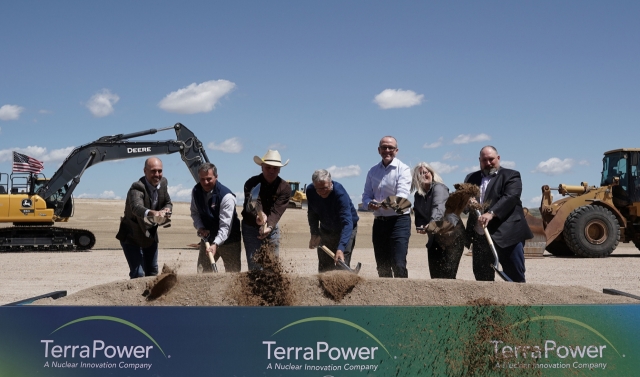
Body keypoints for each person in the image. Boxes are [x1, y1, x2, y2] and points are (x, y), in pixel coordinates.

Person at [464, 145, 533, 282]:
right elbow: (464, 204)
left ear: (498, 158)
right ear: (479, 160)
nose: (488, 163)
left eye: (491, 159)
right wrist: (466, 202)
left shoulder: (511, 175)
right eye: (484, 160)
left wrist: (491, 213)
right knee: (482, 278)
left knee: (515, 278)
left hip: (508, 235)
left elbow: (511, 197)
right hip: (481, 235)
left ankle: (518, 303)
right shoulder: (471, 177)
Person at [361, 136, 412, 278]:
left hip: (399, 221)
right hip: (379, 223)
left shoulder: (403, 169)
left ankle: (402, 297)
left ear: (396, 150)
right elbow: (365, 196)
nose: (387, 150)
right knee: (382, 265)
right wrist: (369, 204)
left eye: (391, 148)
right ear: (379, 150)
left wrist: (385, 203)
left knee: (398, 263)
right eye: (384, 147)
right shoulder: (372, 171)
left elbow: (402, 196)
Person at [116, 157, 172, 279]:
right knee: (138, 274)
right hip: (131, 235)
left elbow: (167, 202)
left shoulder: (163, 183)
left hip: (150, 234)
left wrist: (167, 210)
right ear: (145, 171)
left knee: (152, 271)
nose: (157, 174)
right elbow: (137, 207)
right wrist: (153, 213)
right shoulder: (137, 187)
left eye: (159, 171)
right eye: (153, 171)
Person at [241, 150, 292, 270]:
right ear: (262, 167)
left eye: (275, 168)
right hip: (250, 227)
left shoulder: (285, 188)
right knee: (255, 266)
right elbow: (253, 203)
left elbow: (277, 211)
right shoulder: (251, 183)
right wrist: (258, 216)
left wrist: (269, 226)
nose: (271, 171)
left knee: (272, 265)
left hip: (272, 228)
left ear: (279, 169)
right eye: (268, 167)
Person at [412, 162, 464, 279]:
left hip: (452, 236)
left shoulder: (439, 188)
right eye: (419, 174)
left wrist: (430, 226)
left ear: (431, 173)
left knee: (448, 276)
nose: (423, 175)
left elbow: (438, 208)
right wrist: (420, 225)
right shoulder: (418, 195)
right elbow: (419, 215)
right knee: (435, 277)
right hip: (435, 238)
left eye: (425, 172)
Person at [190, 162, 241, 273]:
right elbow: (195, 213)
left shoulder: (226, 196)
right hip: (208, 239)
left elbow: (225, 227)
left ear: (216, 177)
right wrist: (201, 227)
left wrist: (216, 244)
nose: (205, 182)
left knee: (232, 275)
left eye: (209, 179)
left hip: (229, 241)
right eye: (202, 179)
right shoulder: (196, 191)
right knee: (202, 273)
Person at [307, 169, 359, 272]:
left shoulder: (340, 194)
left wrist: (341, 248)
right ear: (314, 185)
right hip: (326, 228)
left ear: (331, 183)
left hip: (346, 228)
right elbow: (312, 213)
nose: (322, 191)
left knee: (341, 261)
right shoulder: (311, 191)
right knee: (324, 265)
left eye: (325, 188)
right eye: (318, 189)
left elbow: (347, 222)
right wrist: (314, 233)